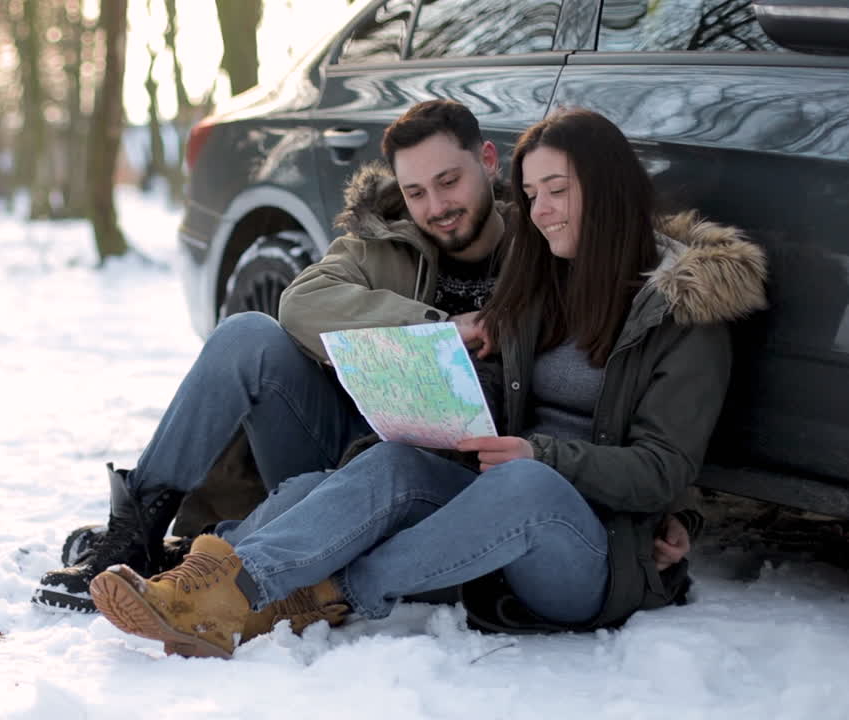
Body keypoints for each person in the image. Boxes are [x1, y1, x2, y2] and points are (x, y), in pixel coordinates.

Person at [86, 107, 768, 659]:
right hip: (488, 501)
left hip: (593, 540)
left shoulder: (686, 313)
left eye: (558, 192)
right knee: (394, 461)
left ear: (610, 188)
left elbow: (664, 465)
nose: (543, 211)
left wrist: (637, 498)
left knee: (523, 483)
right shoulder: (538, 283)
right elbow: (309, 310)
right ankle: (222, 585)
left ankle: (319, 587)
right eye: (533, 197)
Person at [33, 99, 515, 612]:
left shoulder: (534, 249)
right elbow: (300, 304)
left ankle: (195, 557)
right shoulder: (384, 241)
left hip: (445, 479)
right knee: (247, 335)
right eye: (416, 192)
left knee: (330, 491)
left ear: (487, 160)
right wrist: (435, 329)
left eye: (449, 182)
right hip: (348, 445)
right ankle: (134, 534)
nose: (436, 206)